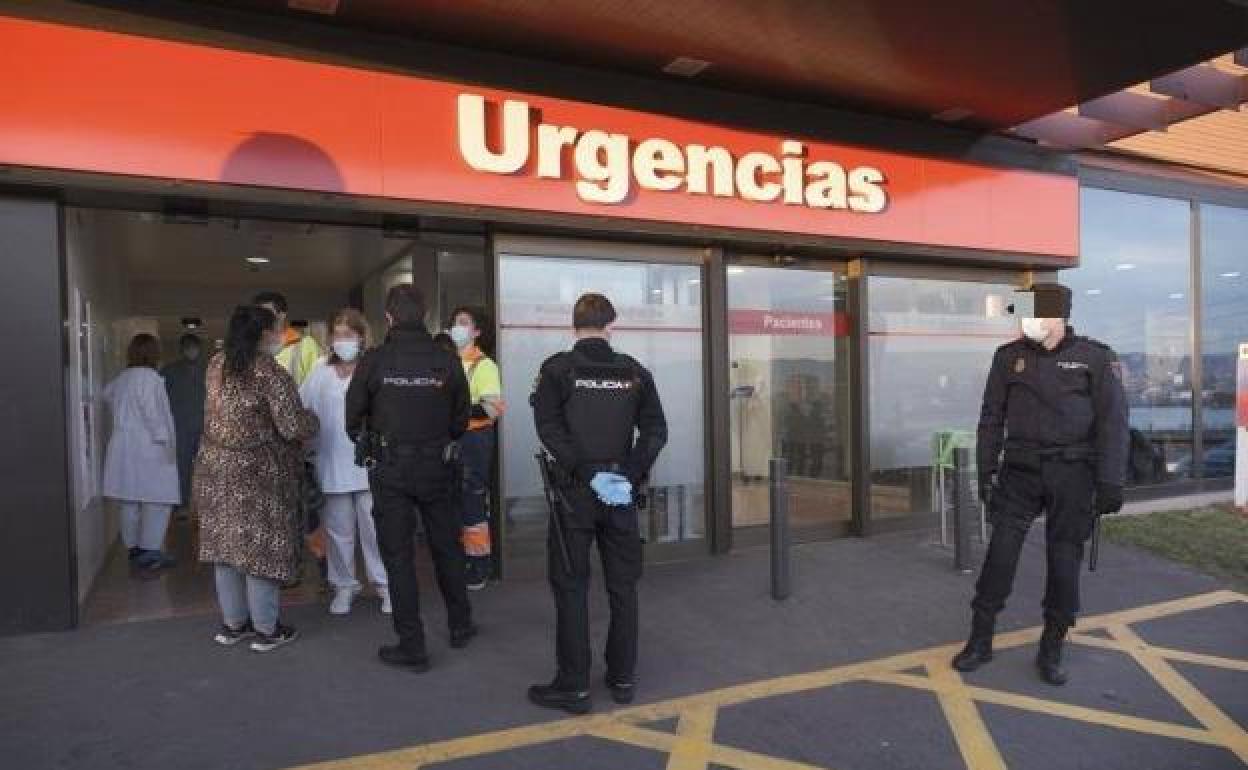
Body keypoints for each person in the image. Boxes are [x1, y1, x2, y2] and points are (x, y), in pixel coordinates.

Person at [953, 283, 1128, 686]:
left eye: (1032, 314)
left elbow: (1113, 424)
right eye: (1022, 315)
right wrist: (985, 471)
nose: (1025, 322)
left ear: (1058, 318)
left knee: (1064, 561)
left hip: (1073, 474)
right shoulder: (1008, 358)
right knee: (1000, 555)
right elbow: (991, 417)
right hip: (1020, 471)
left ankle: (1052, 646)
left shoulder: (1094, 359)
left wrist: (1110, 482)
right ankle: (980, 640)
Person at [528, 293, 668, 714]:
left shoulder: (556, 370)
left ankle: (574, 686)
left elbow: (549, 429)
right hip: (620, 496)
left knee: (571, 588)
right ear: (611, 325)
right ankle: (622, 677)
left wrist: (587, 473)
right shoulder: (634, 371)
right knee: (622, 587)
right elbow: (656, 431)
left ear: (574, 326)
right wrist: (626, 475)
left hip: (574, 495)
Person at [345, 284, 476, 672]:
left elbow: (352, 419)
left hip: (391, 470)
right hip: (438, 467)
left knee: (399, 557)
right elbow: (461, 419)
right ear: (425, 315)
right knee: (446, 548)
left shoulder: (375, 361)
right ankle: (460, 625)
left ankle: (412, 644)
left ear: (388, 317)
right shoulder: (446, 359)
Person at [195, 305, 319, 653]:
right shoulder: (269, 373)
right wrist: (316, 420)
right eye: (277, 329)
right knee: (260, 548)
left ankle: (234, 625)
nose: (281, 335)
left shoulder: (216, 364)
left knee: (225, 548)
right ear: (265, 334)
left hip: (214, 470)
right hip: (258, 473)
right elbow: (293, 426)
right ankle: (267, 629)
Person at [300, 308, 390, 616]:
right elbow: (302, 409)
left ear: (362, 337)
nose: (342, 341)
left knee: (375, 528)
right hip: (330, 461)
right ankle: (344, 586)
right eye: (337, 334)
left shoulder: (374, 367)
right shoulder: (320, 369)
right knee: (338, 531)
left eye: (348, 335)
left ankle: (385, 585)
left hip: (369, 463)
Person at [101, 334, 181, 570]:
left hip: (123, 446)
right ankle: (150, 550)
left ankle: (133, 548)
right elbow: (153, 413)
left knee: (130, 500)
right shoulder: (150, 378)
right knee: (158, 500)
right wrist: (164, 440)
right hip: (149, 447)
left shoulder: (123, 377)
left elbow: (106, 395)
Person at [448, 306, 506, 591]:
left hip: (473, 440)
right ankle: (462, 559)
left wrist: (455, 412)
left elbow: (492, 409)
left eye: (463, 323)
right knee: (453, 502)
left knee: (471, 502)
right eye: (454, 322)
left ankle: (479, 565)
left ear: (477, 331)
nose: (455, 327)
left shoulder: (483, 365)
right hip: (452, 439)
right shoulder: (449, 361)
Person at [160, 333, 207, 508]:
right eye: (187, 347)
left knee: (207, 469)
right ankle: (181, 505)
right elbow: (160, 399)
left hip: (204, 427)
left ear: (199, 349)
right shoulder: (168, 371)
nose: (191, 351)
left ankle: (206, 508)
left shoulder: (208, 371)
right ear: (181, 349)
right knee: (181, 469)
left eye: (194, 347)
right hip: (179, 427)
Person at [253, 290, 322, 387]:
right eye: (258, 314)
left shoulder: (305, 344)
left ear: (282, 315)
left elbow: (317, 384)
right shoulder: (250, 345)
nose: (261, 318)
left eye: (266, 313)